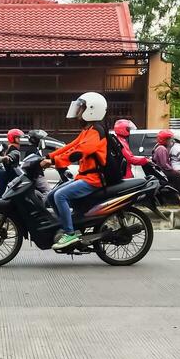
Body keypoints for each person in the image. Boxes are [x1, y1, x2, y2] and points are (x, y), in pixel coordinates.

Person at [47, 91, 108, 250]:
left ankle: (70, 233)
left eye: (81, 108)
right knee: (51, 195)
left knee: (60, 196)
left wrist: (54, 161)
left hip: (93, 179)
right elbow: (71, 146)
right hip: (84, 177)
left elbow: (79, 152)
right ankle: (67, 226)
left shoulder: (97, 131)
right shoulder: (88, 130)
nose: (78, 112)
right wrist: (49, 156)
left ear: (91, 110)